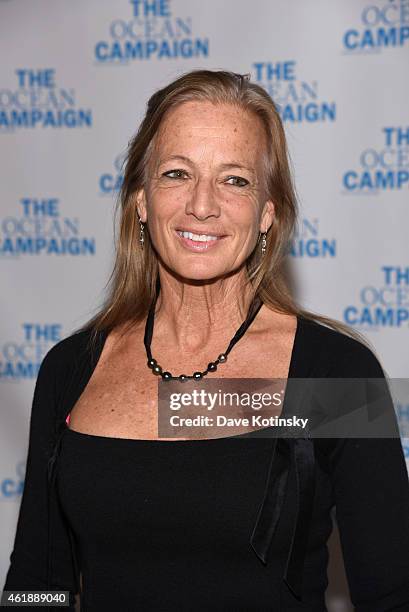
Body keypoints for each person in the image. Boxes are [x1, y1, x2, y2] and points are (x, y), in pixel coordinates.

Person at [3, 69, 409, 611]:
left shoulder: (333, 374)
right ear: (141, 200)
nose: (202, 204)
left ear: (268, 213)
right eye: (176, 173)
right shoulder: (70, 369)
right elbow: (38, 580)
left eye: (234, 179)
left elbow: (392, 593)